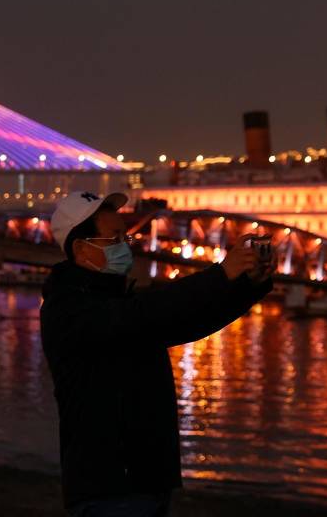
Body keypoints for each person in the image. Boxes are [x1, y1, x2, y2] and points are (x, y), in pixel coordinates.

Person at [41, 191, 273, 517]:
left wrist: (249, 285)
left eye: (126, 236)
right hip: (110, 487)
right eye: (115, 238)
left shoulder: (115, 300)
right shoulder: (70, 311)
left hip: (143, 482)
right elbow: (152, 313)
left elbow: (187, 321)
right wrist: (222, 274)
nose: (125, 246)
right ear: (81, 249)